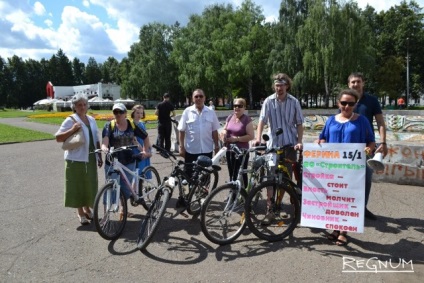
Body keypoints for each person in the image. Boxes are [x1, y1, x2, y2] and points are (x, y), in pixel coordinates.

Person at [318, 89, 376, 246]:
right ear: (338, 103)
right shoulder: (330, 120)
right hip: (333, 168)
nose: (347, 106)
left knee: (348, 199)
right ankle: (336, 228)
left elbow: (371, 141)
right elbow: (322, 137)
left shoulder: (362, 120)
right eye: (344, 103)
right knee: (335, 199)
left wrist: (369, 149)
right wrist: (321, 145)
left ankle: (344, 231)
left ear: (355, 104)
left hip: (353, 170)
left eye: (351, 103)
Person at [255, 73, 304, 225]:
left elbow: (300, 123)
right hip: (273, 146)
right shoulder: (268, 101)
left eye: (282, 84)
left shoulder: (294, 101)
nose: (279, 87)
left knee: (286, 178)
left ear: (287, 86)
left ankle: (279, 203)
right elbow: (262, 121)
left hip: (289, 145)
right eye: (277, 85)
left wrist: (300, 142)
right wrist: (258, 138)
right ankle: (269, 210)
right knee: (270, 178)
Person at [55, 94, 103, 225]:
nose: (82, 107)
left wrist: (99, 155)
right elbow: (58, 138)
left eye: (84, 104)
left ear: (87, 106)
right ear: (74, 107)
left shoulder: (91, 120)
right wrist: (72, 129)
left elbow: (96, 138)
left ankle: (88, 209)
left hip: (91, 157)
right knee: (77, 185)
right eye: (79, 105)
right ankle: (80, 212)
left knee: (89, 185)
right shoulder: (71, 120)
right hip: (75, 159)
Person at [348, 72, 388, 220]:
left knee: (366, 179)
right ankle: (346, 208)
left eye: (358, 81)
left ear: (363, 83)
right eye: (352, 82)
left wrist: (383, 142)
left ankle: (362, 208)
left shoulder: (371, 101)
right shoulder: (346, 100)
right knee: (346, 179)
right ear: (349, 84)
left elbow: (380, 123)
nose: (355, 84)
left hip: (367, 147)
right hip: (347, 148)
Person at [101, 103, 151, 210]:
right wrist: (104, 147)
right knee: (110, 188)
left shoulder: (132, 125)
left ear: (125, 113)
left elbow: (145, 137)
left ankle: (124, 210)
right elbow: (105, 140)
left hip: (129, 160)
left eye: (121, 112)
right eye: (115, 112)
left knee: (125, 188)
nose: (118, 114)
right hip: (113, 161)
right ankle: (106, 216)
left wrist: (145, 151)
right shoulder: (109, 125)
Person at [178, 89, 220, 175]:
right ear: (193, 99)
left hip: (207, 151)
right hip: (191, 151)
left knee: (205, 179)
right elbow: (181, 130)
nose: (198, 98)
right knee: (190, 177)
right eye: (196, 96)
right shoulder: (187, 111)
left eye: (201, 96)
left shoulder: (211, 112)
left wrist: (216, 146)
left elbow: (214, 130)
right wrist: (181, 147)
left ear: (204, 98)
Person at [219, 98, 254, 185]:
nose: (237, 108)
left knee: (241, 174)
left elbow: (251, 136)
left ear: (244, 108)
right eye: (235, 106)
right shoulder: (230, 117)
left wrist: (237, 139)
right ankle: (233, 195)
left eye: (240, 106)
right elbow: (225, 129)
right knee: (232, 174)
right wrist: (224, 132)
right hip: (229, 150)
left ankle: (244, 195)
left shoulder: (247, 120)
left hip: (241, 152)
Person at [131, 105, 152, 173]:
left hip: (144, 147)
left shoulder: (142, 124)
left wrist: (149, 149)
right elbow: (134, 141)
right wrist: (143, 151)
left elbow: (146, 137)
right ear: (133, 113)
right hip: (137, 149)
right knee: (138, 170)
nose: (139, 115)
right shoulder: (131, 124)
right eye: (137, 113)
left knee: (144, 170)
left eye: (141, 113)